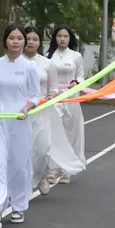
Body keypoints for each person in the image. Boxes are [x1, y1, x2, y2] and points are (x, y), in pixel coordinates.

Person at [0, 24, 40, 228]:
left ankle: (18, 205)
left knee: (18, 165)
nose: (16, 41)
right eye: (12, 38)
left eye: (20, 38)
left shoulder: (29, 66)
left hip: (19, 122)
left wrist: (27, 107)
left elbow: (35, 96)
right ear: (5, 40)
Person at [23, 27, 84, 196]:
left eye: (35, 39)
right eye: (59, 35)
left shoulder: (61, 59)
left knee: (55, 140)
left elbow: (77, 78)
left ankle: (53, 171)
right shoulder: (19, 61)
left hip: (58, 102)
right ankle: (31, 180)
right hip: (23, 110)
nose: (30, 42)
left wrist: (71, 85)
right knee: (27, 147)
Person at [47, 24, 86, 182]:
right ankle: (53, 168)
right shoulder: (49, 56)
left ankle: (66, 170)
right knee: (54, 132)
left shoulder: (76, 56)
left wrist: (76, 82)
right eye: (59, 36)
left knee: (71, 132)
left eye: (65, 36)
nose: (62, 39)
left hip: (71, 98)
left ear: (70, 38)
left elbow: (82, 76)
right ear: (55, 38)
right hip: (54, 98)